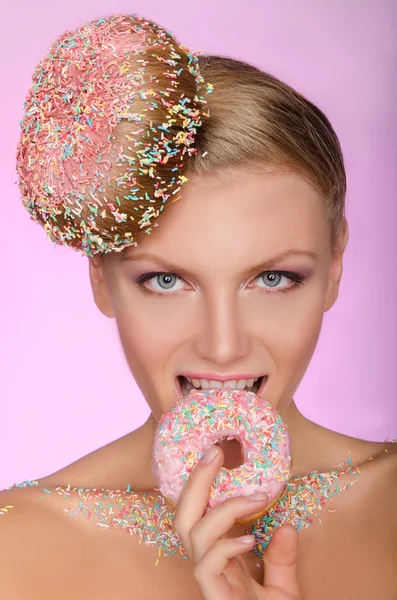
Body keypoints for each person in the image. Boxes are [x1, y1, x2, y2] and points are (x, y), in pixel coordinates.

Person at [1, 12, 396, 600]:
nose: (222, 345)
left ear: (334, 265)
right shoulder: (18, 550)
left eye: (273, 278)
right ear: (102, 280)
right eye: (165, 281)